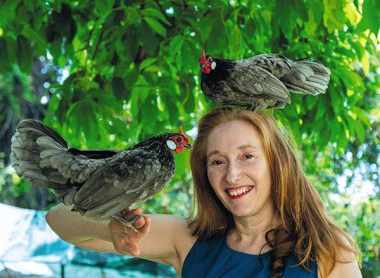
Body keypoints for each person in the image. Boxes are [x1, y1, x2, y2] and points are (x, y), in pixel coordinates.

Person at [46, 107, 362, 278]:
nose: (232, 174)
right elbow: (59, 220)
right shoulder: (189, 239)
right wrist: (112, 223)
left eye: (247, 156)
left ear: (277, 164)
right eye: (217, 161)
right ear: (205, 174)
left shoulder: (327, 249)